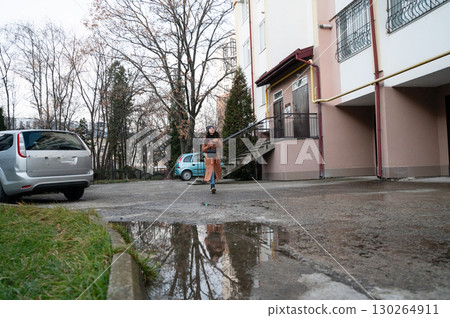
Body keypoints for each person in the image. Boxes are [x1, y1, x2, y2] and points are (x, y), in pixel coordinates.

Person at [202, 125, 222, 194]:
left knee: (216, 171)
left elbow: (220, 146)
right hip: (209, 157)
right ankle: (212, 186)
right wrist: (208, 146)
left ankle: (212, 185)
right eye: (210, 128)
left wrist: (217, 141)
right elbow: (203, 149)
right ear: (208, 130)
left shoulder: (217, 137)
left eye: (213, 128)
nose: (212, 129)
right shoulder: (205, 139)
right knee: (211, 171)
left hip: (216, 157)